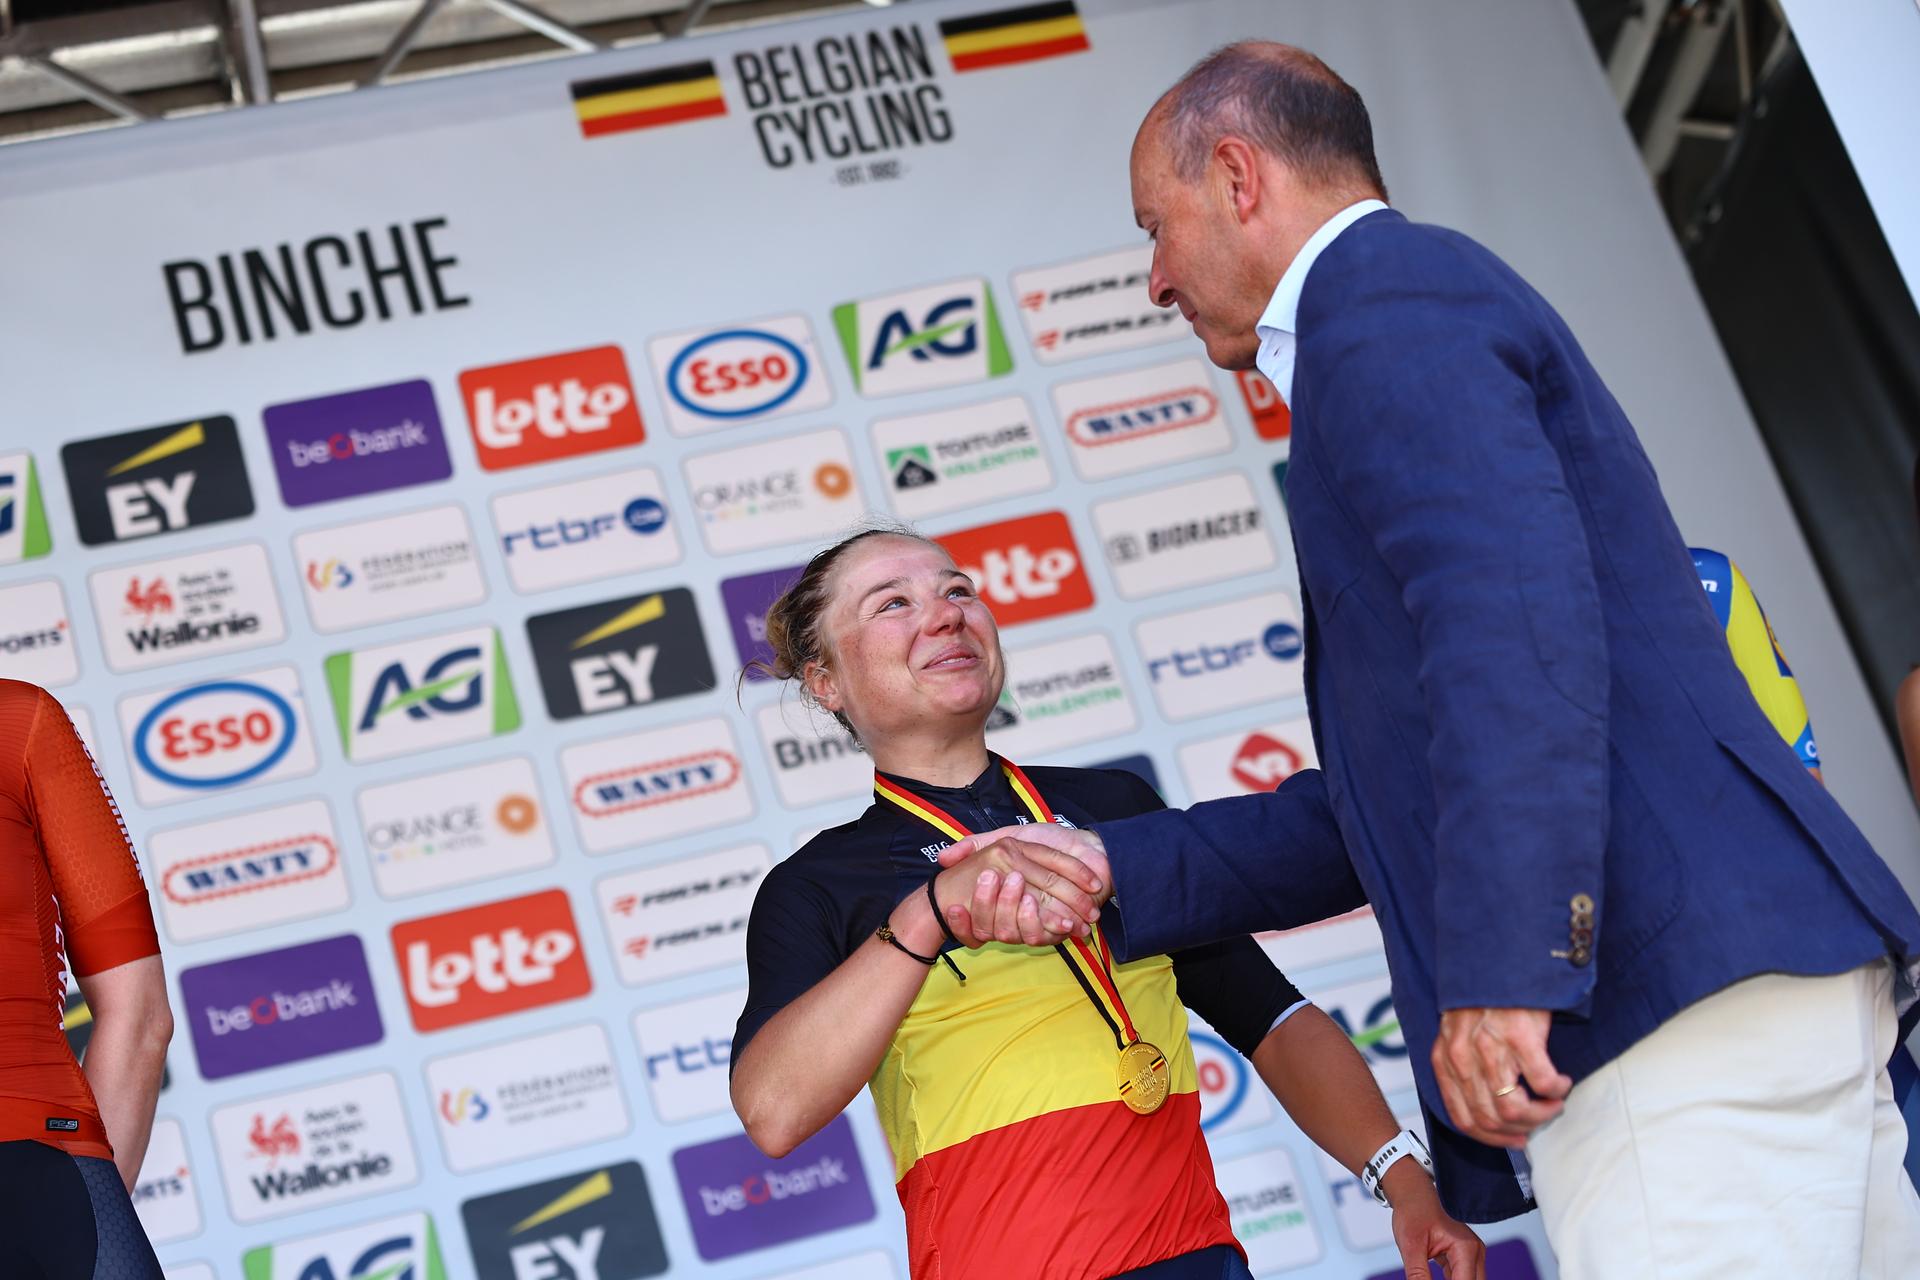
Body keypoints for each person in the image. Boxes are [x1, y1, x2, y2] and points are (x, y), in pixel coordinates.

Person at [937, 41, 1920, 1279]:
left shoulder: (1382, 306)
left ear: (1237, 176)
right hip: (1737, 985)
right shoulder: (1401, 312)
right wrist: (1107, 864)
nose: (1153, 279)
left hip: (1662, 1004)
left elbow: (1508, 631)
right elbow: (1390, 792)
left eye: (1157, 226)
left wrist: (1517, 966)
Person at [729, 526, 1483, 1280]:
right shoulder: (818, 885)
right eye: (892, 603)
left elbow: (1274, 1023)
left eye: (958, 590)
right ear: (825, 681)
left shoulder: (1113, 810)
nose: (945, 614)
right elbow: (774, 1112)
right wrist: (926, 915)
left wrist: (1404, 1182)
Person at [1, 679, 172, 1279]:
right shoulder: (16, 720)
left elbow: (141, 1016)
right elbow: (141, 1014)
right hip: (39, 1178)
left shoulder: (19, 721)